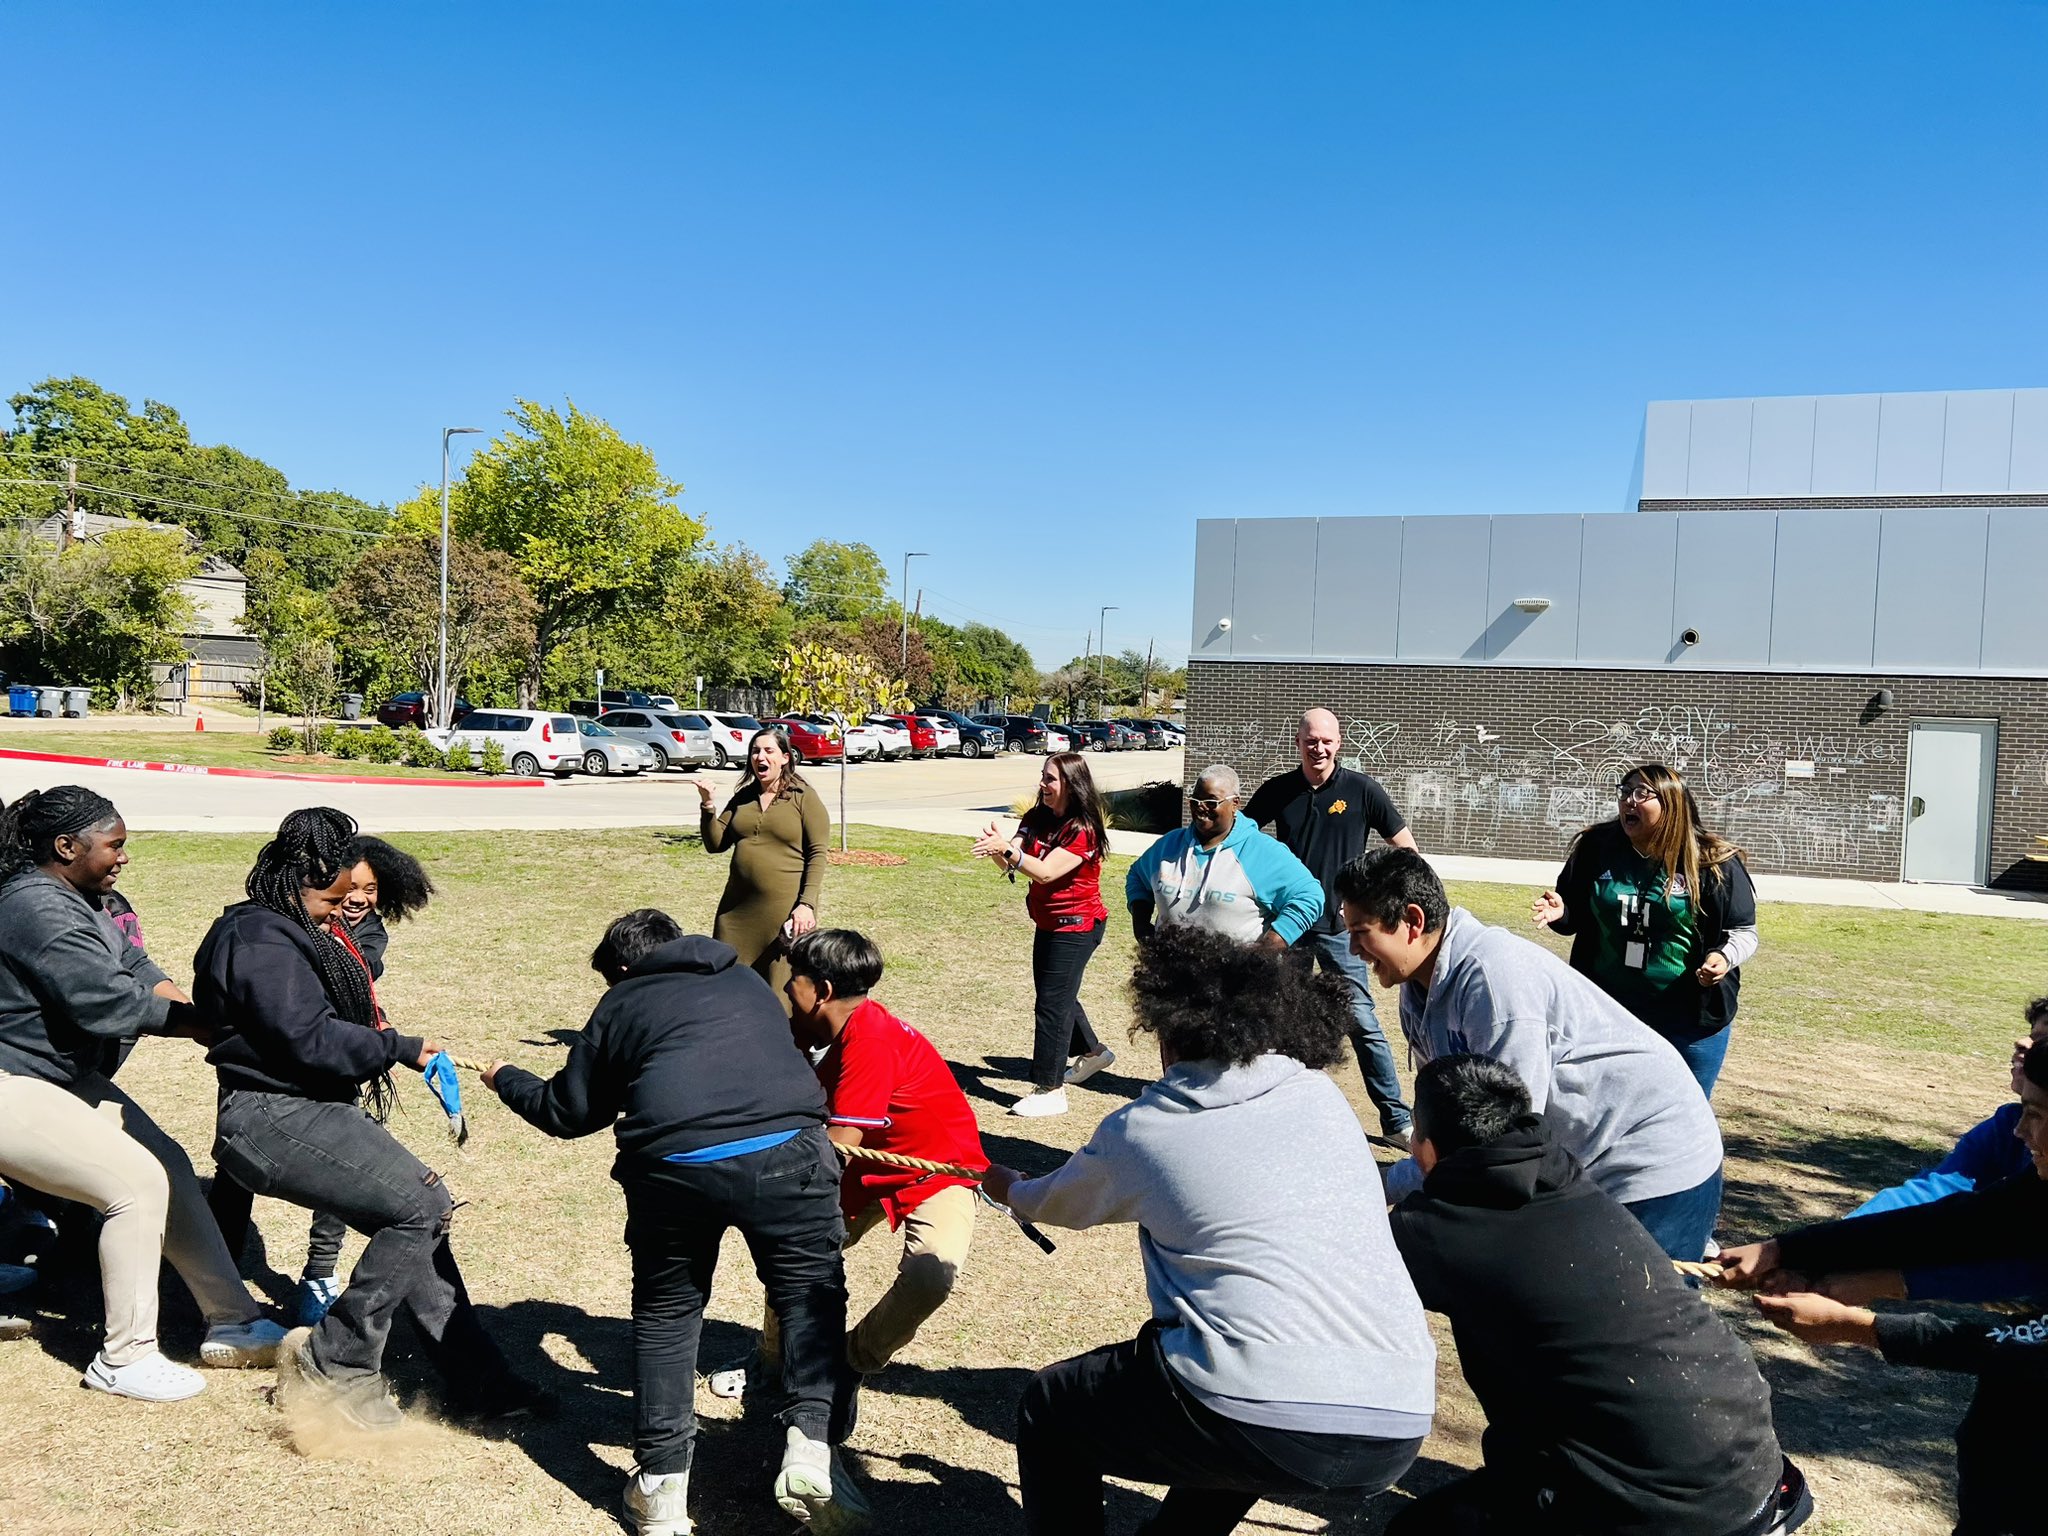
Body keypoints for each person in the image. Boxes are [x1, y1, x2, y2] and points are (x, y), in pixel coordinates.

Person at [985, 925, 1435, 1536]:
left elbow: (1054, 1202)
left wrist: (1005, 1185)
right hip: (1399, 1416)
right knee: (1226, 1403)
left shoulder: (1146, 1128)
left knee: (1052, 1408)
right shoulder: (1321, 1097)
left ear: (1168, 1028)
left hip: (1259, 1406)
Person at [483, 908, 864, 1536]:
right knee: (809, 1297)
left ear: (625, 969)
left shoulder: (624, 1003)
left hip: (676, 1168)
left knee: (668, 1315)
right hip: (791, 1149)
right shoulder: (746, 978)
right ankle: (810, 1446)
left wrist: (506, 1078)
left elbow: (569, 1112)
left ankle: (660, 1489)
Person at [196, 807, 528, 1436]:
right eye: (331, 897)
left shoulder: (285, 930)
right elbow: (306, 1038)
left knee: (415, 1216)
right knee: (421, 1205)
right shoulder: (260, 938)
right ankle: (336, 1361)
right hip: (271, 1112)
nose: (337, 910)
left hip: (304, 1105)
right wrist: (401, 1047)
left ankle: (479, 1382)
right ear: (296, 880)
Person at [1385, 1054, 1811, 1536]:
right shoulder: (1568, 1179)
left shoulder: (1438, 1230)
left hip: (1672, 1514)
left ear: (1431, 1148)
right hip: (1750, 1471)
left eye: (1417, 1132)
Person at [0, 786, 284, 1402]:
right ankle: (124, 1358)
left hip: (57, 1076)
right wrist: (205, 1026)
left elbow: (136, 971)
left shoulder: (85, 900)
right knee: (133, 1185)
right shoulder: (32, 906)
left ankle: (234, 1321)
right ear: (66, 845)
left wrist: (202, 1010)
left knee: (169, 1167)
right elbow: (99, 1000)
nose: (124, 858)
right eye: (115, 845)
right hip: (10, 1080)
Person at [1717, 1038, 2048, 1536]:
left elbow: (2023, 1346)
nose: (2021, 1131)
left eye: (2038, 1115)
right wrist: (1785, 1250)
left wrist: (1864, 1327)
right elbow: (1944, 1225)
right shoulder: (2038, 1188)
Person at [1337, 847, 1725, 1260]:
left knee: (1637, 1317)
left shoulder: (1494, 981)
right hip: (1583, 1164)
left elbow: (1506, 1140)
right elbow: (1448, 1122)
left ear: (1413, 921)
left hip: (1649, 1159)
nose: (1353, 949)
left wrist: (1388, 1190)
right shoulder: (1418, 988)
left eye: (1361, 933)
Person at [779, 928, 981, 1377]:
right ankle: (773, 1361)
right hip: (870, 1163)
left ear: (822, 991)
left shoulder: (870, 1040)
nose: (787, 986)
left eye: (795, 976)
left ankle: (851, 1361)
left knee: (931, 1275)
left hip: (935, 1171)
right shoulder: (810, 1026)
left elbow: (838, 1148)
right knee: (794, 1254)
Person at [1532, 762, 1760, 1097]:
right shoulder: (1598, 848)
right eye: (1625, 792)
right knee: (1604, 1106)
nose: (1629, 801)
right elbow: (1575, 914)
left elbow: (1743, 931)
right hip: (1608, 1012)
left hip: (1688, 1020)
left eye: (1642, 793)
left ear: (1671, 805)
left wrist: (1722, 958)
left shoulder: (1711, 860)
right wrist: (1563, 911)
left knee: (1684, 1112)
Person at [1246, 708, 1418, 1145]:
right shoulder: (1279, 790)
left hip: (1344, 932)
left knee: (1361, 1021)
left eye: (1326, 741)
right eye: (1309, 741)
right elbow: (1240, 839)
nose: (1317, 748)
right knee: (1280, 1015)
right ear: (1297, 743)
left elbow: (1406, 849)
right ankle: (1277, 1108)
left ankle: (1397, 1120)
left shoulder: (1361, 790)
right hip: (1290, 925)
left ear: (1339, 743)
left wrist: (1374, 901)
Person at [290, 834, 439, 1326]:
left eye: (371, 889)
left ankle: (319, 1273)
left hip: (339, 1059)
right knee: (235, 1178)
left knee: (341, 1169)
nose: (358, 898)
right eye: (349, 887)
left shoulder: (368, 932)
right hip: (283, 1060)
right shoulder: (291, 922)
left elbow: (361, 967)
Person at [1817, 995, 2048, 1306]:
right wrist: (1824, 1249)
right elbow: (1933, 1194)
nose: (2022, 1043)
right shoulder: (2009, 1127)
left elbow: (2026, 1270)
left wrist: (1884, 1284)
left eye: (2042, 1040)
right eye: (2032, 1033)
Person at [971, 752, 1116, 1118]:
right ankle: (1094, 1053)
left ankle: (1050, 1089)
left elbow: (1047, 872)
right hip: (1048, 922)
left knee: (1051, 1004)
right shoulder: (1036, 817)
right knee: (1057, 994)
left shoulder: (1082, 828)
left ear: (1071, 784)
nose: (1042, 785)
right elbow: (1014, 859)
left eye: (1050, 779)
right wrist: (997, 847)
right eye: (1042, 777)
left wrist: (1007, 851)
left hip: (1077, 925)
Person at [1125, 764, 1323, 949]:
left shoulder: (1261, 851)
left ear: (1235, 803)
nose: (1201, 808)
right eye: (1195, 801)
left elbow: (1310, 897)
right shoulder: (1169, 846)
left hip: (1234, 980)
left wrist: (1266, 949)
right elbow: (1137, 876)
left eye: (1211, 802)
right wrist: (1142, 927)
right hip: (1170, 975)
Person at [695, 726, 828, 998]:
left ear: (785, 757)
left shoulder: (803, 797)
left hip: (782, 914)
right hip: (735, 913)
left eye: (769, 751)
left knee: (780, 994)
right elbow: (715, 844)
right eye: (755, 751)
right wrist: (708, 806)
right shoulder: (744, 797)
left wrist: (806, 904)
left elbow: (818, 853)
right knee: (726, 989)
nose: (760, 757)